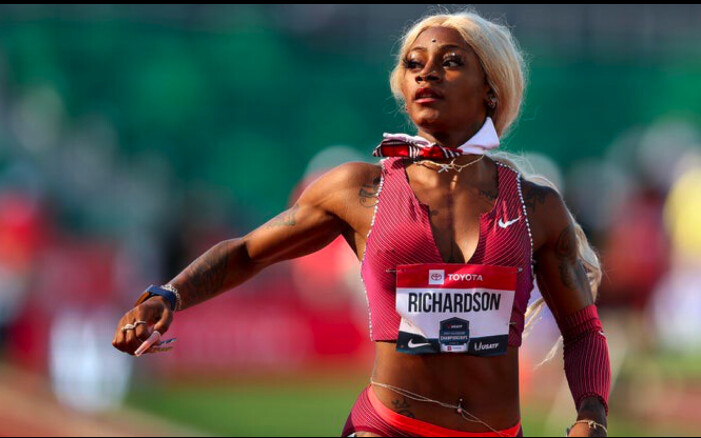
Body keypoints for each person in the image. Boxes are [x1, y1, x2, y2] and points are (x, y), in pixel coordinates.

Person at [112, 11, 610, 437]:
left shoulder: (535, 207)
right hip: (386, 428)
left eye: (450, 62)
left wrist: (592, 415)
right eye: (414, 64)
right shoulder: (358, 190)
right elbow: (248, 252)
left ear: (491, 91)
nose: (426, 73)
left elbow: (583, 330)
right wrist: (169, 295)